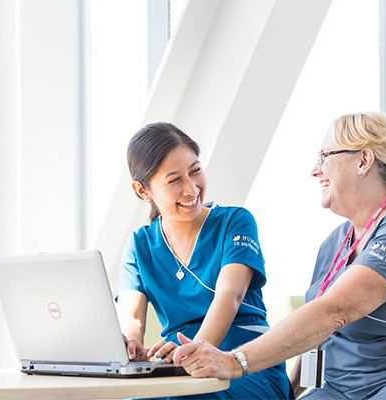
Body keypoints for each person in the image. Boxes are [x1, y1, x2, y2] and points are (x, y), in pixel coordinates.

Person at [173, 112, 386, 399]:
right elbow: (318, 333)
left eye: (324, 156)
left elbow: (336, 310)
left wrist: (235, 362)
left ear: (363, 160)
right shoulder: (335, 245)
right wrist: (288, 393)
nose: (315, 171)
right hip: (348, 388)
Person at [116, 122, 293, 399]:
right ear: (143, 190)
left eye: (195, 171)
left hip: (246, 363)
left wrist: (195, 351)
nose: (191, 188)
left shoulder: (235, 222)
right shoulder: (139, 245)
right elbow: (131, 317)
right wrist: (131, 344)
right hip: (178, 368)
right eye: (174, 180)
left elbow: (229, 297)